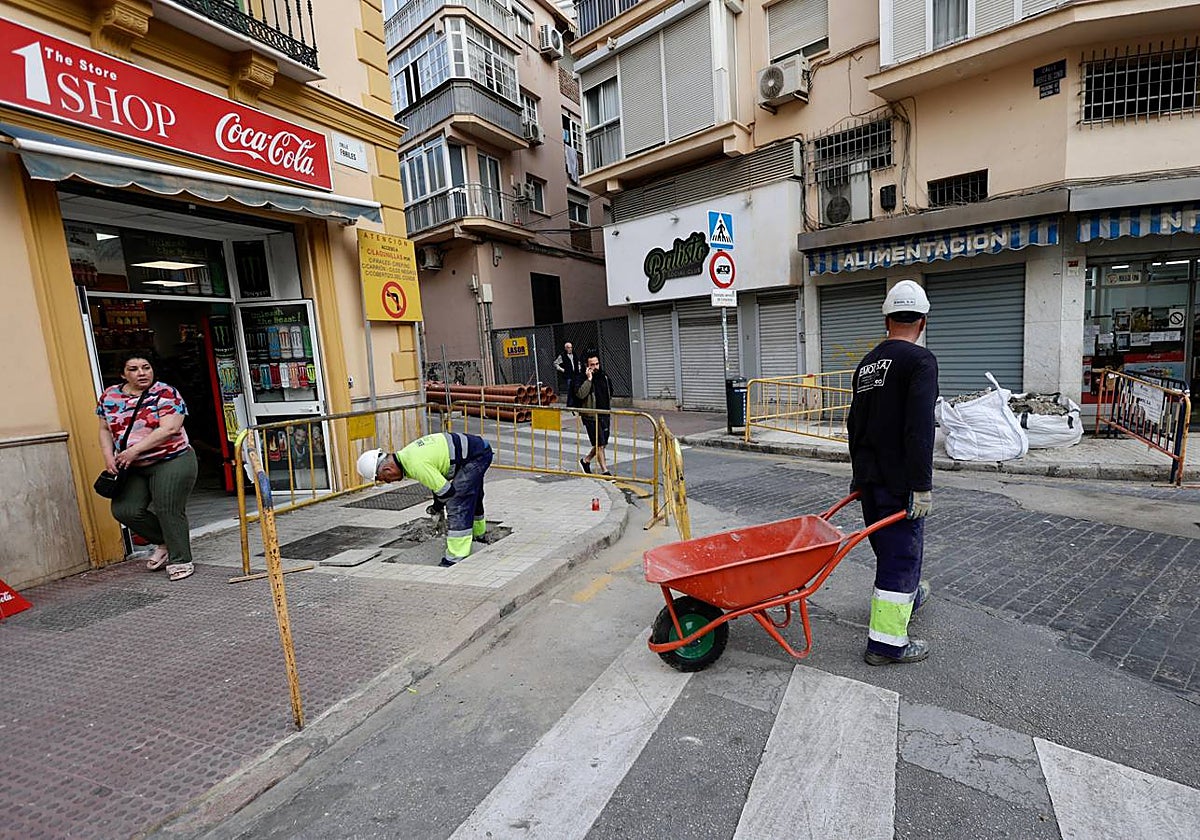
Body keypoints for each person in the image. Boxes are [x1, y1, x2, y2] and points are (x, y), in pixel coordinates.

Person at [846, 280, 938, 666]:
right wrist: (920, 485)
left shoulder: (868, 363)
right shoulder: (920, 361)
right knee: (901, 558)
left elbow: (854, 424)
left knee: (888, 549)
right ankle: (886, 644)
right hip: (900, 481)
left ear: (887, 319)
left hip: (871, 481)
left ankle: (908, 595)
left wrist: (859, 478)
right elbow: (919, 428)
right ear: (922, 320)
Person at [96, 354, 198, 582]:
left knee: (167, 508)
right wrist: (108, 456)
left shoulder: (165, 393)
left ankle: (181, 559)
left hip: (172, 458)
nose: (141, 373)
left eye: (146, 367)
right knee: (125, 510)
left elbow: (170, 429)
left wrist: (134, 450)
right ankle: (166, 541)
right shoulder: (110, 396)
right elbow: (104, 428)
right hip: (132, 465)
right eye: (133, 369)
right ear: (123, 374)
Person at [357, 432, 493, 567]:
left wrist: (437, 507)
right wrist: (437, 504)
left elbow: (448, 492)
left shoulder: (415, 465)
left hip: (477, 455)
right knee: (473, 494)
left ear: (388, 469)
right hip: (475, 450)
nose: (387, 482)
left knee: (458, 502)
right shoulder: (407, 456)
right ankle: (478, 535)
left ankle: (456, 556)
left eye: (383, 478)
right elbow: (437, 483)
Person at [575, 350, 614, 476]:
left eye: (597, 364)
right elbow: (580, 394)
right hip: (591, 416)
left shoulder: (604, 376)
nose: (595, 367)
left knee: (602, 443)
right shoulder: (581, 378)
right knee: (600, 444)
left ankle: (585, 461)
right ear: (587, 366)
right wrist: (589, 380)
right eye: (592, 365)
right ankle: (605, 471)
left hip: (605, 414)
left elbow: (610, 392)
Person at [554, 341, 580, 405]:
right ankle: (570, 403)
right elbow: (555, 363)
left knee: (576, 389)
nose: (570, 349)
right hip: (569, 375)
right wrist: (562, 369)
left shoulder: (574, 354)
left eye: (571, 347)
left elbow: (578, 362)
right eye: (568, 347)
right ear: (565, 348)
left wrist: (579, 368)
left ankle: (575, 403)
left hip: (576, 374)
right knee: (570, 389)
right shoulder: (562, 356)